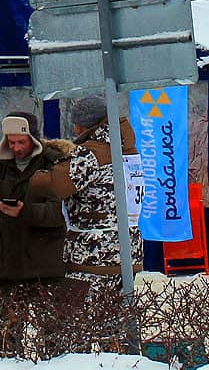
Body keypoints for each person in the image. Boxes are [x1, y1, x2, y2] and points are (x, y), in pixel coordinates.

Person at [0, 114, 75, 298]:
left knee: (52, 327)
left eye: (21, 142)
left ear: (33, 139)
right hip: (7, 268)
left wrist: (24, 211)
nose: (16, 148)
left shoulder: (55, 165)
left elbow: (59, 213)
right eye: (11, 142)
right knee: (2, 326)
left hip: (46, 268)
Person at [59, 95, 133, 280]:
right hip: (126, 248)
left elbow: (54, 186)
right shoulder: (126, 147)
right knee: (117, 307)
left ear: (81, 125)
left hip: (93, 251)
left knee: (79, 308)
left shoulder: (90, 152)